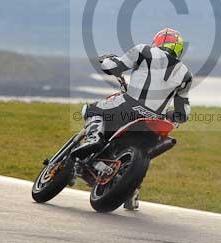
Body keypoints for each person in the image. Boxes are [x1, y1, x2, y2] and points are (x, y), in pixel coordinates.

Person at [72, 27, 192, 160]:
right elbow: (183, 114)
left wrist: (107, 59)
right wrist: (171, 114)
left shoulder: (144, 50)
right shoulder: (186, 74)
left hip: (130, 106)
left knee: (91, 110)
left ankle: (93, 139)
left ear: (158, 41)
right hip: (157, 121)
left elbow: (112, 67)